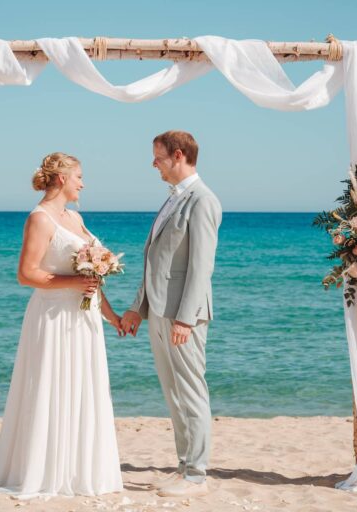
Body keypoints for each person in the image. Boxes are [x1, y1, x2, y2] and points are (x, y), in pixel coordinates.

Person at [0, 152, 123, 498]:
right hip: (54, 318)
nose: (83, 184)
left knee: (83, 389)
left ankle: (78, 471)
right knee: (52, 388)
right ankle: (44, 471)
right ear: (61, 179)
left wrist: (112, 316)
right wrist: (72, 284)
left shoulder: (75, 216)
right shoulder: (40, 219)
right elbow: (26, 274)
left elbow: (92, 279)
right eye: (79, 177)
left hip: (84, 320)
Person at [121, 131, 222, 498]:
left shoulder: (203, 201)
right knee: (173, 393)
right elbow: (155, 263)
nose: (154, 164)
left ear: (178, 156)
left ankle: (197, 474)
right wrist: (136, 308)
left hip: (183, 316)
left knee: (191, 391)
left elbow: (200, 268)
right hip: (159, 312)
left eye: (158, 157)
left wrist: (185, 318)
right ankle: (183, 466)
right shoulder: (172, 200)